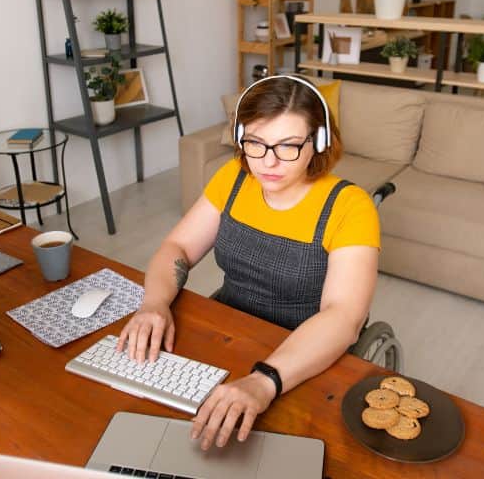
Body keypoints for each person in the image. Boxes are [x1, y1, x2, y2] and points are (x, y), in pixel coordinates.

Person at [117, 75, 380, 451]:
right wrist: (154, 305)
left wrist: (265, 380)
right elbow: (177, 246)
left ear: (318, 143)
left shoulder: (350, 207)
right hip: (231, 327)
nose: (268, 162)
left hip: (303, 355)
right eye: (256, 144)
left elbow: (343, 316)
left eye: (288, 146)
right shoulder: (234, 178)